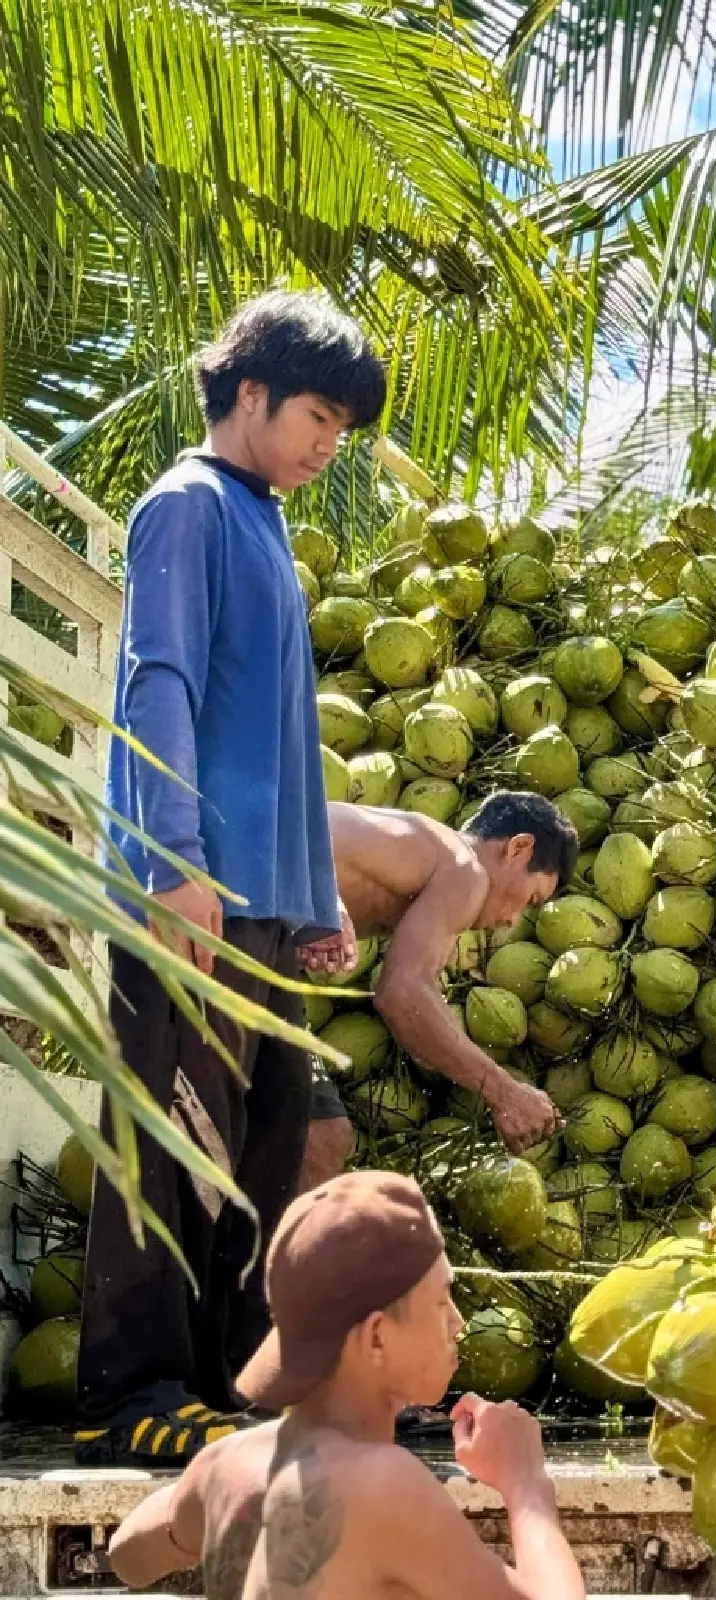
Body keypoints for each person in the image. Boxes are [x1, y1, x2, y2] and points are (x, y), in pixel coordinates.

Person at [76, 292, 386, 1468]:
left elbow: (279, 737)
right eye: (318, 414)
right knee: (167, 1138)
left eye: (343, 430)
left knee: (257, 1144)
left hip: (261, 902)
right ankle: (128, 1386)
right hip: (189, 891)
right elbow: (156, 684)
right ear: (247, 392)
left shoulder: (264, 523)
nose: (328, 445)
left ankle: (217, 1376)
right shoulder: (188, 506)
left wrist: (313, 897)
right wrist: (174, 867)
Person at [106, 1170, 586, 1600]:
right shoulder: (382, 1483)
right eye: (442, 1301)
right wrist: (525, 1483)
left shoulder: (226, 1464)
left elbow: (127, 1556)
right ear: (376, 1336)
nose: (459, 1322)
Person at [299, 791, 577, 1158]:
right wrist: (505, 1093)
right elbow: (402, 995)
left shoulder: (431, 852)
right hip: (238, 917)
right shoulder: (467, 871)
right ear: (519, 848)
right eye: (531, 899)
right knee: (322, 1141)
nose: (512, 920)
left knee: (315, 1136)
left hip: (242, 912)